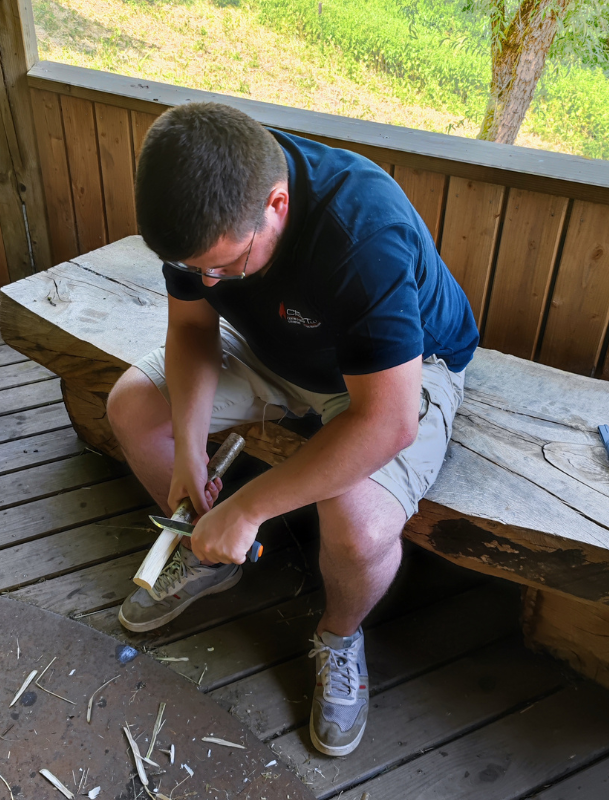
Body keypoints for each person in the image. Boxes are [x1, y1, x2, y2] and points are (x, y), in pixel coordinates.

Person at [107, 102, 479, 757]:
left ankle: (339, 636)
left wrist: (250, 505)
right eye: (196, 269)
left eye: (224, 265)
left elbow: (387, 422)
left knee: (359, 524)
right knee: (133, 408)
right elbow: (193, 329)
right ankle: (206, 553)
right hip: (275, 346)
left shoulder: (361, 229)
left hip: (394, 373)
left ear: (277, 204)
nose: (208, 280)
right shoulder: (195, 203)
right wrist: (190, 453)